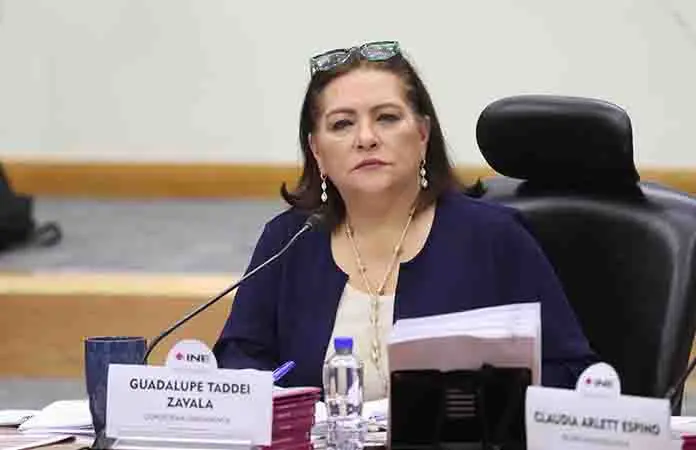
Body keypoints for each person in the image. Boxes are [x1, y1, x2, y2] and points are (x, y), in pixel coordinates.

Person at [213, 40, 596, 400]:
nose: (366, 138)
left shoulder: (494, 239)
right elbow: (239, 360)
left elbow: (570, 373)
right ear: (317, 150)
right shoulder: (287, 241)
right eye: (342, 124)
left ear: (423, 134)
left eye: (387, 118)